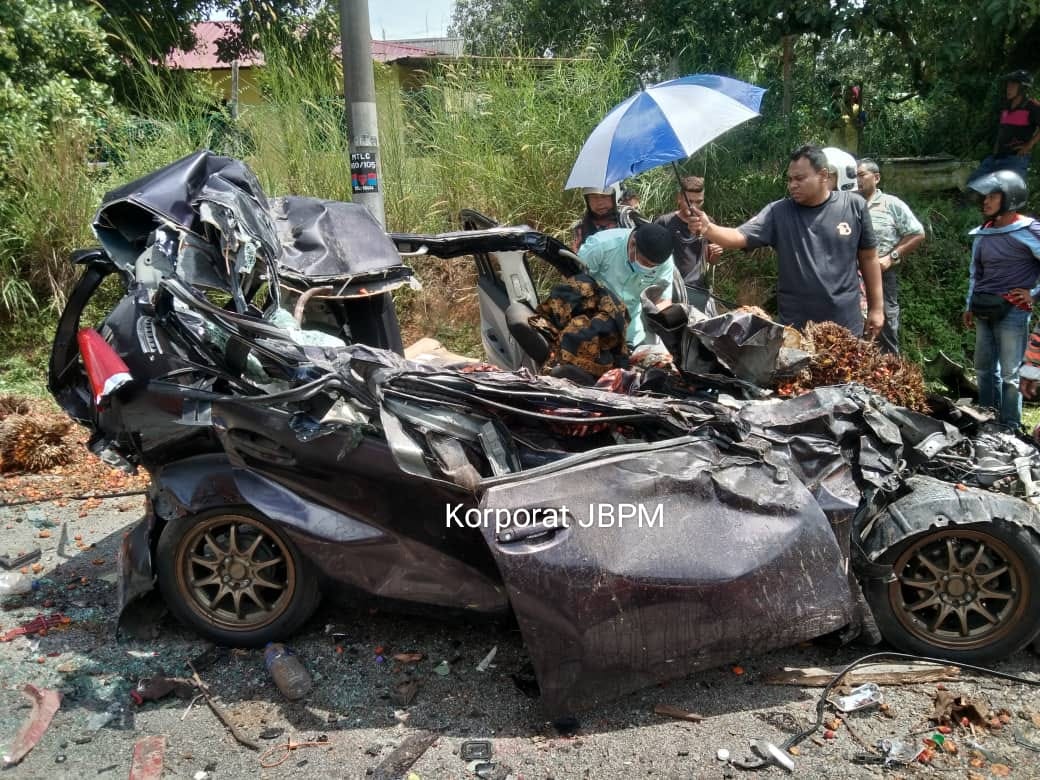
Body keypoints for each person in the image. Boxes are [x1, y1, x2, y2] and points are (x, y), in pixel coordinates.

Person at [684, 144, 883, 338]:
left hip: (846, 323)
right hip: (796, 329)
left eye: (800, 178)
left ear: (823, 175)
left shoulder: (853, 206)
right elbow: (738, 236)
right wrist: (708, 228)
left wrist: (877, 308)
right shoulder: (778, 212)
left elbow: (869, 257)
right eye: (789, 179)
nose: (792, 185)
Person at [963, 170, 1040, 429]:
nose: (985, 202)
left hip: (1014, 311)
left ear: (1010, 198)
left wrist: (1034, 293)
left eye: (993, 197)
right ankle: (987, 418)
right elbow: (976, 272)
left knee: (1010, 373)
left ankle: (1010, 426)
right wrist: (968, 304)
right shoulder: (984, 232)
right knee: (984, 368)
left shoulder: (1030, 230)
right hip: (984, 308)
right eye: (985, 197)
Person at [855, 159, 927, 354]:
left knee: (885, 326)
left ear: (876, 178)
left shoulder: (890, 204)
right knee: (853, 330)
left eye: (861, 175)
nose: (857, 180)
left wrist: (891, 257)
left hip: (882, 275)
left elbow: (917, 233)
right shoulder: (849, 203)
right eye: (854, 176)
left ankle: (890, 376)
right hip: (851, 277)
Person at [577, 223, 675, 347]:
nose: (648, 268)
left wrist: (668, 328)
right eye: (645, 263)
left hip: (630, 332)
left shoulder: (665, 262)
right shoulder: (600, 246)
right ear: (633, 244)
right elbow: (574, 286)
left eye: (652, 266)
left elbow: (661, 301)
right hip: (591, 325)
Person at [654, 176, 723, 313]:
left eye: (699, 201)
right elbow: (652, 259)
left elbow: (713, 261)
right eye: (689, 201)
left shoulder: (708, 223)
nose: (694, 207)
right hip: (670, 291)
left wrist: (716, 253)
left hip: (698, 290)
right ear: (679, 198)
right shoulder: (664, 222)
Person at [969, 70, 1040, 183]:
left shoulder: (1033, 107)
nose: (1008, 89)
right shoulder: (1005, 105)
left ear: (1022, 88)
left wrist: (1029, 145)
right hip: (997, 157)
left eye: (1012, 86)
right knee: (973, 184)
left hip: (1015, 159)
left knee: (1009, 193)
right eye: (1008, 86)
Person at [570, 186, 622, 250]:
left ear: (613, 197)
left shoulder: (626, 220)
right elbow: (576, 255)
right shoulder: (581, 229)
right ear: (587, 201)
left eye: (604, 196)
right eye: (593, 197)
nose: (599, 203)